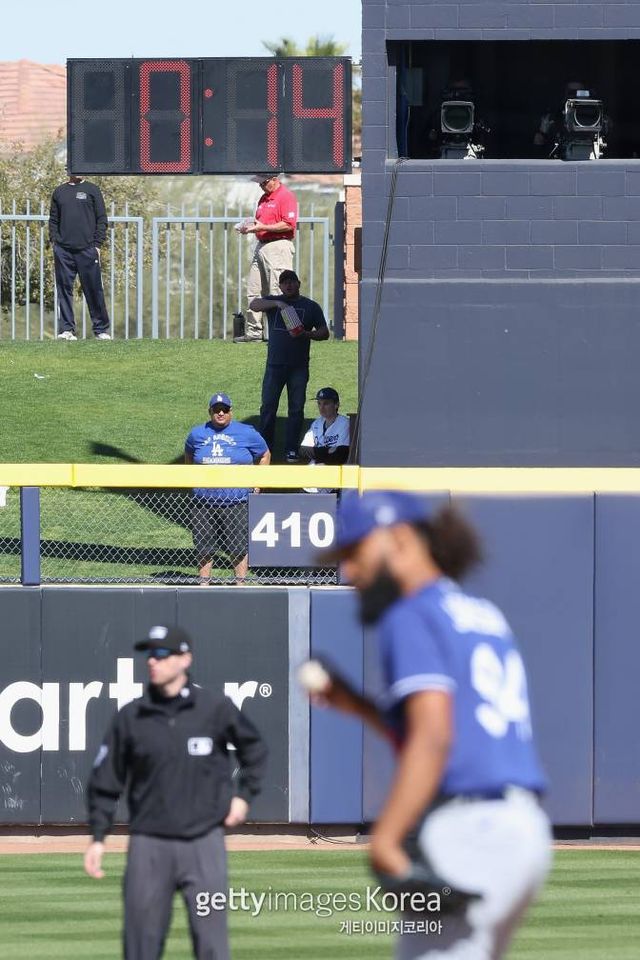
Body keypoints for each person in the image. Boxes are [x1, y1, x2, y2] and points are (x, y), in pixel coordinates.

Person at [307, 490, 552, 959]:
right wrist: (357, 706)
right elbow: (445, 732)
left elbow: (434, 737)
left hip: (471, 829)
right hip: (522, 829)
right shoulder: (480, 613)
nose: (348, 571)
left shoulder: (410, 613)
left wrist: (385, 837)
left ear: (399, 538)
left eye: (355, 551)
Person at [84, 623, 267, 960]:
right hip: (149, 846)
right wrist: (98, 837)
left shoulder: (214, 709)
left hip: (204, 843)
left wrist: (244, 797)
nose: (152, 661)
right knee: (140, 947)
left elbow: (255, 750)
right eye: (149, 655)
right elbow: (105, 781)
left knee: (212, 947)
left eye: (161, 654)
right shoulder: (132, 717)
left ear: (185, 658)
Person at [184, 393, 270, 583]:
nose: (220, 413)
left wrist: (258, 485)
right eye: (217, 410)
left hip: (236, 501)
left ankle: (240, 585)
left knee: (238, 548)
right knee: (204, 547)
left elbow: (264, 454)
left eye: (224, 409)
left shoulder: (246, 432)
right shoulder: (197, 433)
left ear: (231, 411)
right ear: (210, 412)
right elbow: (189, 454)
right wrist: (193, 480)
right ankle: (204, 584)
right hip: (203, 502)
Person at [250, 270, 329, 463]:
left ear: (298, 283)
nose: (288, 285)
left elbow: (324, 332)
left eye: (292, 281)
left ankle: (291, 449)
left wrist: (305, 334)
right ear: (280, 286)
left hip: (298, 367)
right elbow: (253, 304)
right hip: (274, 366)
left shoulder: (310, 306)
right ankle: (265, 450)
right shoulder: (273, 302)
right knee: (268, 408)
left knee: (296, 409)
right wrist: (279, 304)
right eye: (284, 282)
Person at [234, 173, 298, 342]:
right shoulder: (263, 198)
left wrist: (263, 227)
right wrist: (250, 228)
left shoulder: (286, 196)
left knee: (280, 290)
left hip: (278, 246)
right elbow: (260, 224)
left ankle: (285, 332)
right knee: (253, 290)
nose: (260, 186)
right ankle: (254, 332)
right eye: (259, 183)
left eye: (263, 183)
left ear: (274, 180)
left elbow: (289, 224)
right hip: (261, 246)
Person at [49, 172, 111, 340]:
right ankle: (67, 330)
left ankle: (101, 330)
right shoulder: (59, 192)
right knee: (64, 290)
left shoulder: (93, 190)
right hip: (63, 251)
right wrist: (55, 242)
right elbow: (53, 220)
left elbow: (102, 219)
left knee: (94, 290)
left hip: (87, 250)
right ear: (68, 170)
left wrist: (97, 245)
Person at [300, 386, 350, 494]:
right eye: (319, 403)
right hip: (309, 483)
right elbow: (303, 451)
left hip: (332, 483)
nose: (321, 408)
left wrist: (316, 452)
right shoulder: (317, 423)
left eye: (326, 403)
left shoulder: (344, 424)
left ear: (336, 405)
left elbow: (341, 454)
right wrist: (328, 450)